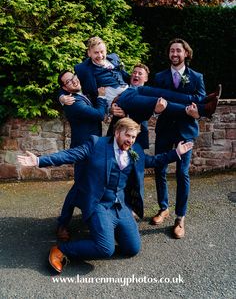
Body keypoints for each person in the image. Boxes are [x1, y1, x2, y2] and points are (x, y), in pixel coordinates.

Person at [17, 117, 193, 274]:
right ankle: (62, 250)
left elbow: (153, 161)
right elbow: (69, 155)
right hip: (99, 204)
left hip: (121, 205)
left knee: (132, 248)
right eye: (127, 136)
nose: (130, 141)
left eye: (133, 137)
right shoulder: (96, 144)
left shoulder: (135, 150)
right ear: (117, 132)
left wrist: (176, 153)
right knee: (105, 249)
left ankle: (106, 232)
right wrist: (39, 161)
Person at [151, 38, 222, 239]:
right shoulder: (159, 77)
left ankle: (180, 217)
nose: (174, 54)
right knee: (160, 169)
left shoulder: (197, 77)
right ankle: (163, 208)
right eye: (171, 51)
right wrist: (156, 112)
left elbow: (202, 105)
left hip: (185, 131)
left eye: (178, 51)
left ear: (186, 54)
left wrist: (196, 114)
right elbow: (155, 104)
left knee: (182, 173)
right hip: (165, 130)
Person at [60, 36, 219, 124]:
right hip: (120, 99)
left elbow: (125, 75)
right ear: (89, 53)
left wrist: (137, 78)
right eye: (95, 53)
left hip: (131, 90)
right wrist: (61, 97)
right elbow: (66, 82)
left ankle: (203, 99)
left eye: (102, 52)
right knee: (158, 101)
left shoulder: (113, 59)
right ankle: (205, 110)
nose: (100, 56)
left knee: (164, 92)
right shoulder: (83, 69)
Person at [56, 71, 107, 241]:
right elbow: (99, 115)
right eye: (69, 81)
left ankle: (91, 218)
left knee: (93, 183)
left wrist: (60, 96)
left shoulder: (77, 93)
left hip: (94, 146)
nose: (74, 81)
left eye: (74, 77)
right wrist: (101, 97)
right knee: (79, 186)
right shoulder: (73, 103)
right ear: (65, 87)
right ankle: (62, 224)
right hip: (83, 149)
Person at [107, 63, 151, 149]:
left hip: (137, 136)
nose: (136, 75)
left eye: (140, 73)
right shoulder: (121, 88)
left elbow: (146, 115)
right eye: (134, 72)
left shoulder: (148, 95)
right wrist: (111, 110)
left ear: (146, 79)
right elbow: (110, 103)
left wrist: (126, 114)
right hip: (116, 132)